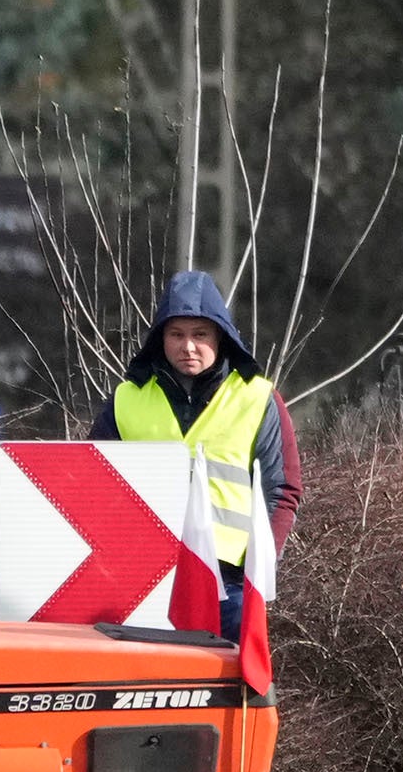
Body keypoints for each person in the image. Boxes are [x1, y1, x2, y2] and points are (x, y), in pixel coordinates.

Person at [92, 271, 297, 640]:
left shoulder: (258, 399)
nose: (188, 347)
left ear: (221, 337)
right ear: (160, 339)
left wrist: (260, 567)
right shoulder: (126, 399)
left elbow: (282, 491)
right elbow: (92, 489)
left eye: (200, 334)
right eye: (177, 334)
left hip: (229, 584)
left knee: (230, 693)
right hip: (142, 580)